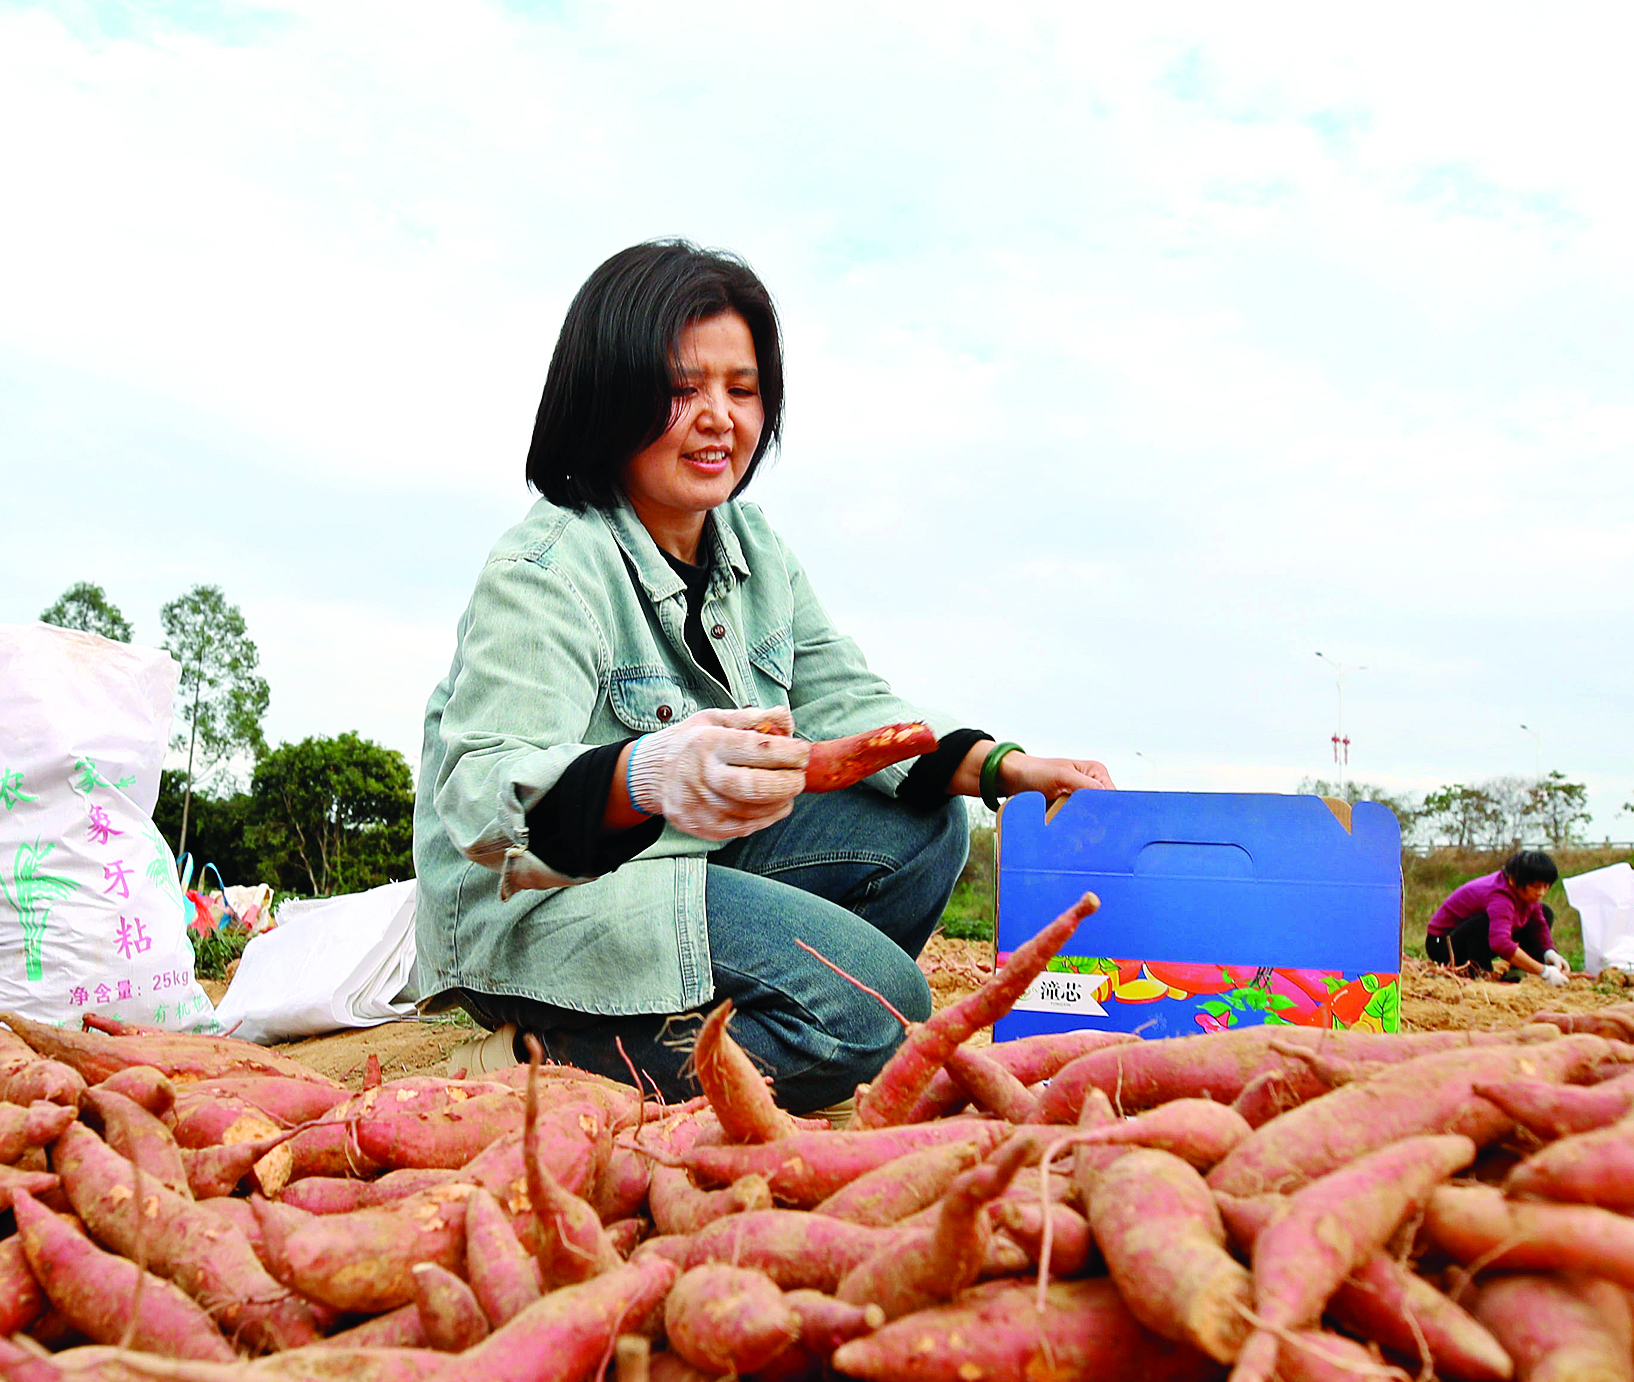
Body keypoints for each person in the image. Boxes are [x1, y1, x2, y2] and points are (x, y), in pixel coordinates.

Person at [412, 241, 1113, 1111]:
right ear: (607, 394)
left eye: (741, 390)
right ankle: (545, 1054)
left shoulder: (753, 548)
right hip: (539, 909)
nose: (718, 417)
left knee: (928, 825)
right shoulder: (549, 567)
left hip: (683, 870)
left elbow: (846, 696)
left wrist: (1004, 769)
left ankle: (700, 1031)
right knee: (879, 1014)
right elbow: (485, 800)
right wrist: (648, 774)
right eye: (681, 389)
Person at [1424, 850, 1570, 984]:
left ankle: (1518, 972)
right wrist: (1544, 971)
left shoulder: (1524, 895)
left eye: (1546, 887)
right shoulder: (1500, 896)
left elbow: (1539, 923)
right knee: (1484, 924)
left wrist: (1548, 951)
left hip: (1470, 937)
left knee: (1545, 912)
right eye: (1536, 887)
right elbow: (1500, 943)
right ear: (1514, 880)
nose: (1541, 893)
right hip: (1442, 944)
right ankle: (1477, 971)